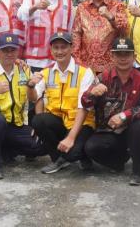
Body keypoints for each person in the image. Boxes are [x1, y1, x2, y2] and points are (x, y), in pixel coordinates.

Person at [82, 38, 140, 186]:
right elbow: (84, 103)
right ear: (112, 57)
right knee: (91, 148)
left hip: (132, 130)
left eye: (127, 54)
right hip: (109, 132)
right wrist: (92, 94)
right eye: (118, 54)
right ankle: (117, 163)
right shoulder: (103, 77)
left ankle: (138, 170)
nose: (123, 58)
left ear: (134, 57)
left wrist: (124, 116)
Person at [0, 33, 45, 180]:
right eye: (5, 50)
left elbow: (33, 98)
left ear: (18, 51)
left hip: (14, 125)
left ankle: (6, 149)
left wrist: (31, 85)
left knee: (41, 146)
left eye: (13, 50)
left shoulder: (24, 70)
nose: (9, 53)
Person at [30, 32, 96, 174]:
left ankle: (75, 154)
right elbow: (35, 97)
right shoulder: (46, 71)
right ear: (51, 50)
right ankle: (59, 159)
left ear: (72, 48)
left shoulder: (85, 72)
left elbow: (83, 107)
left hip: (81, 122)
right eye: (56, 47)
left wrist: (71, 138)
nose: (59, 51)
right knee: (38, 120)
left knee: (74, 153)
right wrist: (30, 85)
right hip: (59, 121)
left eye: (64, 47)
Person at [18, 0, 75, 71]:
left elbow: (70, 26)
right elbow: (20, 15)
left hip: (59, 58)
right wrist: (34, 7)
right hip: (35, 59)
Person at [72, 0, 129, 74]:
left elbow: (124, 31)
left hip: (111, 66)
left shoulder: (118, 6)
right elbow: (76, 33)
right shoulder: (82, 7)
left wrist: (111, 18)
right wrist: (76, 58)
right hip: (86, 66)